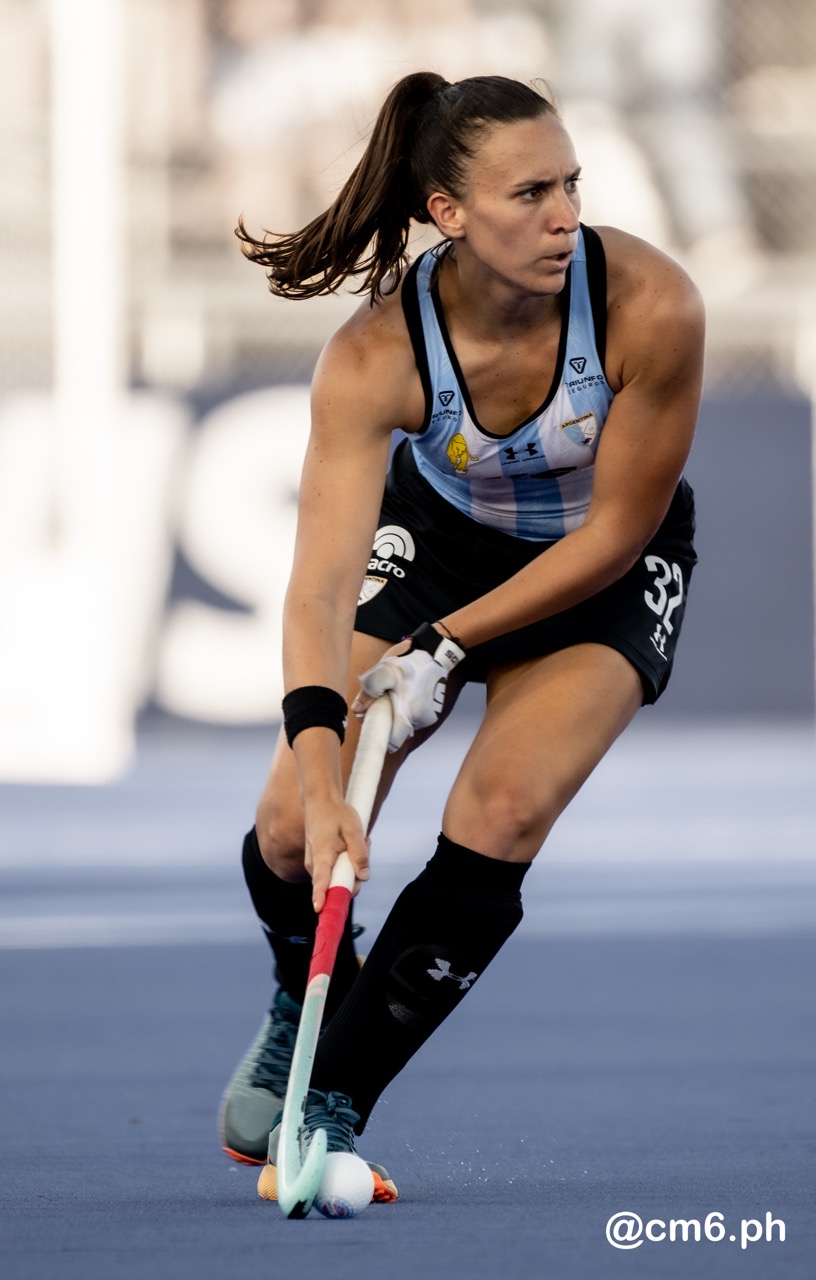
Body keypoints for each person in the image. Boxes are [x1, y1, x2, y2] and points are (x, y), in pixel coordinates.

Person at [218, 71, 704, 1206]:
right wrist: (322, 765)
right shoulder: (375, 353)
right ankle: (305, 990)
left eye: (572, 184)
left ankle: (334, 1096)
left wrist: (442, 647)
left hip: (598, 570)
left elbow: (621, 530)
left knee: (504, 807)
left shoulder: (653, 304)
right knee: (295, 827)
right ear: (447, 213)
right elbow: (317, 591)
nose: (565, 215)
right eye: (529, 191)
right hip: (435, 545)